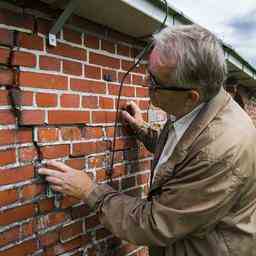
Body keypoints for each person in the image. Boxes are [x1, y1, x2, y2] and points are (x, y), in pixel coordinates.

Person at [39, 25, 256, 256]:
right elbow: (183, 150)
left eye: (154, 82)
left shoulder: (220, 151)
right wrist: (142, 129)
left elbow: (156, 224)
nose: (146, 86)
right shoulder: (200, 109)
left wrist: (89, 190)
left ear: (191, 96)